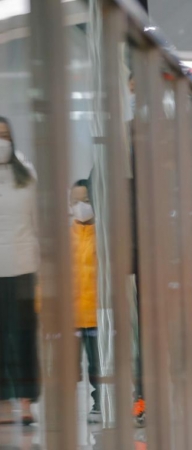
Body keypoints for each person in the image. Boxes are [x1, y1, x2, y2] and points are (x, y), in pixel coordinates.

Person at [0, 116, 40, 425]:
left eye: (5, 135)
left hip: (24, 265)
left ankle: (26, 401)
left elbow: (38, 220)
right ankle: (3, 403)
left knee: (24, 336)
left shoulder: (26, 174)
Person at [69, 179, 103, 423]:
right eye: (75, 201)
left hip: (95, 312)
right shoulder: (65, 235)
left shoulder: (103, 234)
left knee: (96, 366)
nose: (80, 206)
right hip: (70, 314)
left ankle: (99, 402)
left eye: (86, 201)